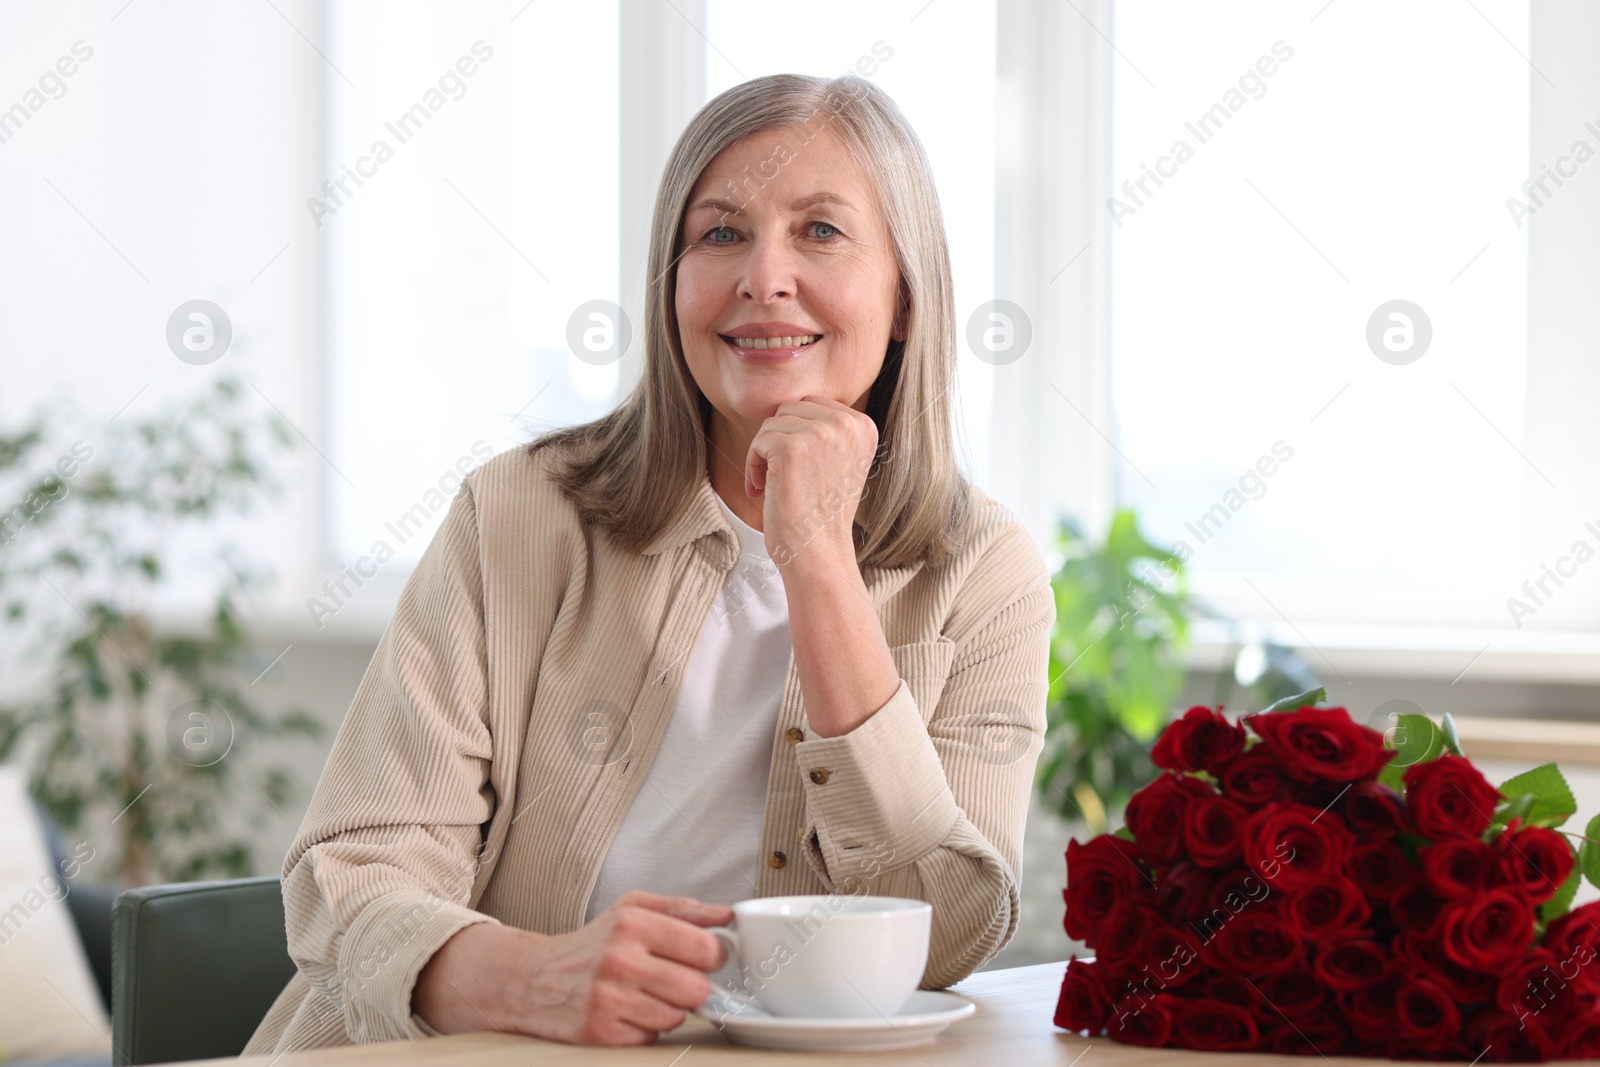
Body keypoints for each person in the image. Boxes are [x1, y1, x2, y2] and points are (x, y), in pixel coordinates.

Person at [243, 71, 1053, 1053]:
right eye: (718, 233)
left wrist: (816, 559)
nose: (763, 275)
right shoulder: (515, 513)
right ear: (670, 286)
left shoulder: (988, 570)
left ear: (906, 299)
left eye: (821, 231)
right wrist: (531, 978)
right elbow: (348, 874)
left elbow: (951, 931)